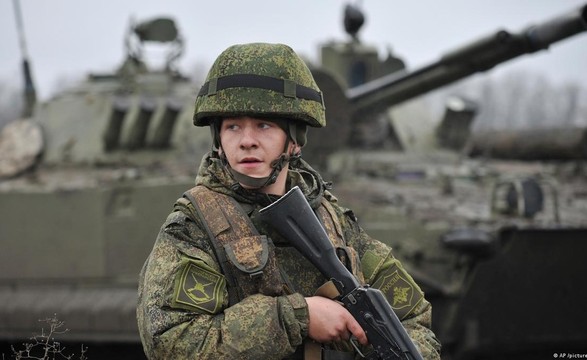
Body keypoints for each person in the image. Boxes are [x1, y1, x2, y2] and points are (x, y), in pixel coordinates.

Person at [136, 42, 441, 359]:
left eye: (264, 125)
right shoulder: (194, 227)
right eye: (233, 127)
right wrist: (300, 317)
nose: (247, 141)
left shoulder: (329, 218)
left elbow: (413, 316)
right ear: (218, 139)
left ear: (294, 141)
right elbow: (173, 341)